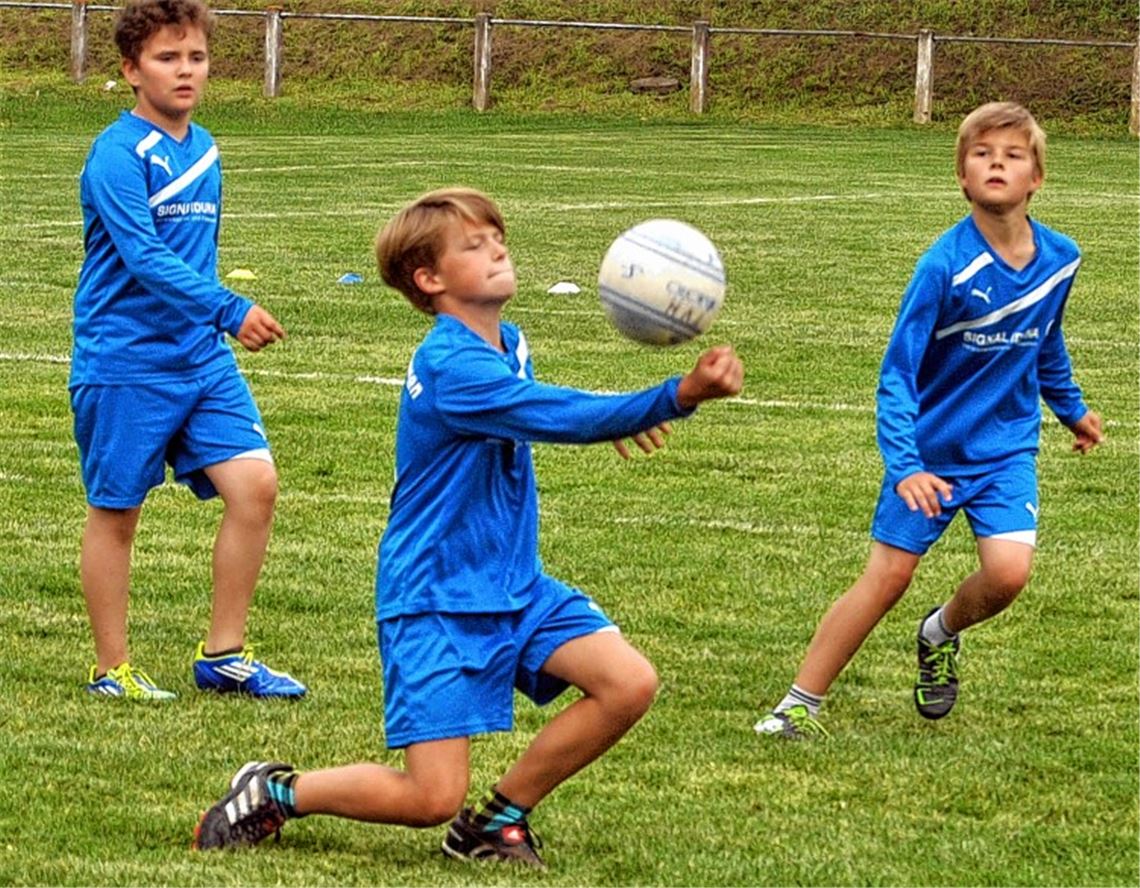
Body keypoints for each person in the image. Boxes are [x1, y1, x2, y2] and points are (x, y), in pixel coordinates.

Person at [193, 187, 744, 868]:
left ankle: (497, 820)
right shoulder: (450, 365)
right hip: (436, 599)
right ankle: (277, 789)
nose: (497, 248)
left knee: (627, 683)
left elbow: (541, 409)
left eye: (497, 236)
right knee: (428, 799)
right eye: (473, 245)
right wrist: (673, 397)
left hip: (514, 582)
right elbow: (553, 414)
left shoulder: (508, 342)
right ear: (429, 280)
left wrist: (621, 417)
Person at [754, 101, 1104, 740]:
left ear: (1037, 180)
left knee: (1008, 573)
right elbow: (897, 374)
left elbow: (1044, 338)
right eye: (982, 154)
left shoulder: (1062, 258)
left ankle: (940, 631)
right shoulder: (943, 265)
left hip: (1005, 451)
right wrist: (907, 464)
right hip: (930, 455)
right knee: (887, 578)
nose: (997, 163)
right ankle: (797, 704)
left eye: (1013, 154)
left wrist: (1072, 409)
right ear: (962, 177)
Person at [71, 0, 305, 700]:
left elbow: (196, 256)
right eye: (167, 58)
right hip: (126, 360)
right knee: (118, 511)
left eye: (195, 57)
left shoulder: (204, 147)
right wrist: (230, 309)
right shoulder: (116, 154)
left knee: (255, 485)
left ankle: (223, 654)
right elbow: (142, 257)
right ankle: (111, 668)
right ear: (131, 69)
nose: (184, 70)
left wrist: (212, 321)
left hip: (199, 359)